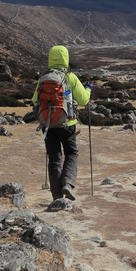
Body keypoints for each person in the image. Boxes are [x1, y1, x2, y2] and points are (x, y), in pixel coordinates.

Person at [32, 45, 91, 201]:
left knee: (54, 157)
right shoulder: (69, 77)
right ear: (66, 58)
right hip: (67, 124)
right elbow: (84, 99)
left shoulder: (43, 78)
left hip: (48, 124)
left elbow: (34, 100)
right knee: (72, 153)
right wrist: (89, 89)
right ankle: (68, 184)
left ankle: (57, 196)